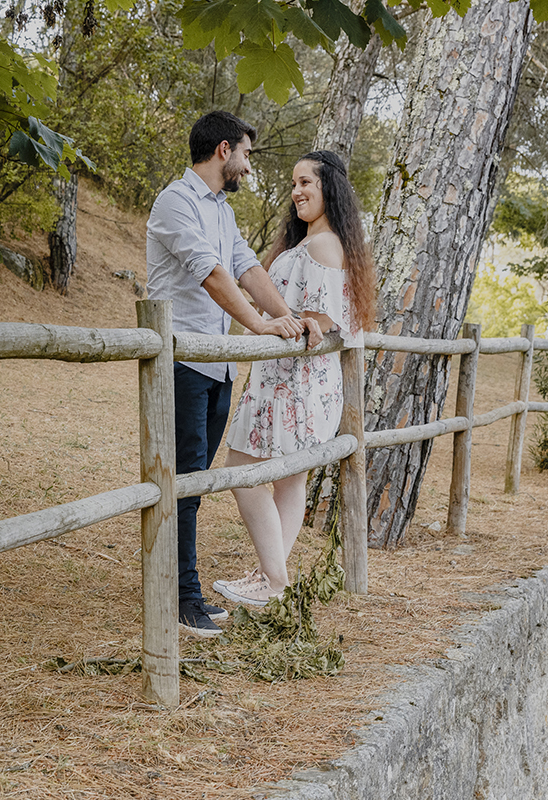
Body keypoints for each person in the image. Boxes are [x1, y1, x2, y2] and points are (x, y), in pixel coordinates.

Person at [147, 111, 322, 639]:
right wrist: (263, 325)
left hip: (216, 365)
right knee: (182, 483)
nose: (248, 165)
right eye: (246, 153)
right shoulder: (175, 201)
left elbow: (248, 270)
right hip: (180, 363)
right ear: (224, 150)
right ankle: (182, 599)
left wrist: (289, 317)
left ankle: (181, 590)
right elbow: (213, 274)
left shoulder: (221, 210)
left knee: (194, 484)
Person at [213, 149, 377, 606]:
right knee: (288, 482)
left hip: (291, 385)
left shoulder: (323, 245)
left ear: (331, 190)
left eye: (306, 182)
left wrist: (284, 320)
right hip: (298, 384)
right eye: (293, 184)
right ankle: (272, 581)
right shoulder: (318, 242)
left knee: (241, 472)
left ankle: (274, 580)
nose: (297, 191)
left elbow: (319, 318)